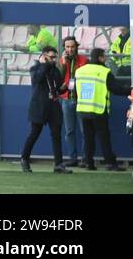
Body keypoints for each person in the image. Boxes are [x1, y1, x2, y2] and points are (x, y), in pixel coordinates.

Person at [74, 47, 131, 171]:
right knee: (104, 137)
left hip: (83, 109)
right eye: (104, 56)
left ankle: (89, 163)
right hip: (99, 110)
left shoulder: (79, 71)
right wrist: (130, 90)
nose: (106, 58)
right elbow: (116, 89)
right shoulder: (105, 71)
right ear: (100, 58)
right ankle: (110, 163)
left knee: (88, 137)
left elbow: (75, 90)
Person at [20, 45, 68, 173]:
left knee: (56, 135)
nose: (53, 60)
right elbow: (37, 79)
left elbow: (57, 87)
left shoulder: (55, 70)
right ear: (44, 56)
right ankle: (24, 158)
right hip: (39, 106)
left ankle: (58, 164)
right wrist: (44, 65)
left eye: (55, 57)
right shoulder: (35, 68)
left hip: (53, 105)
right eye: (51, 57)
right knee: (34, 133)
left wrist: (64, 88)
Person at [58, 35, 88, 166]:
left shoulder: (84, 60)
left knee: (84, 130)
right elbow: (59, 78)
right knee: (69, 131)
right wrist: (64, 64)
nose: (70, 49)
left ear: (76, 47)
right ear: (64, 48)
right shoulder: (62, 60)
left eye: (72, 47)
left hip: (81, 100)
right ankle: (73, 158)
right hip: (66, 100)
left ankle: (86, 158)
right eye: (67, 47)